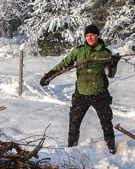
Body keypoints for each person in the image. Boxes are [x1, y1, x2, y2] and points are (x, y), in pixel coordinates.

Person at [40, 24, 120, 154]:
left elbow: (111, 74)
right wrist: (49, 76)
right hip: (81, 94)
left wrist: (113, 63)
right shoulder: (78, 51)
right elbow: (64, 64)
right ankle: (71, 150)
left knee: (106, 122)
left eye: (93, 35)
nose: (90, 37)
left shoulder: (105, 53)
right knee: (74, 123)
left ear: (97, 36)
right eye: (87, 35)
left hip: (100, 94)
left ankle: (111, 148)